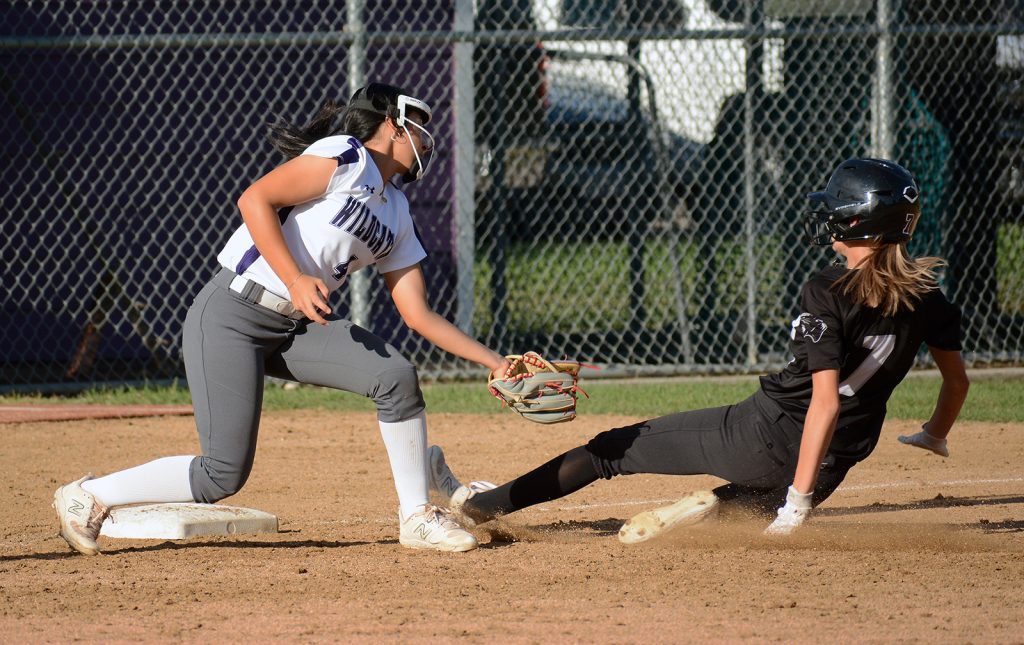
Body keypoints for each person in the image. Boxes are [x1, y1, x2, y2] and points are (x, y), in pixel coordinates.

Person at [53, 82, 510, 555]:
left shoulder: (396, 210)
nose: (426, 139)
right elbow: (255, 199)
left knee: (394, 376)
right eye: (417, 126)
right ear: (390, 124)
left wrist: (494, 362)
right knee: (221, 474)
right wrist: (294, 279)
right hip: (232, 314)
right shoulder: (347, 155)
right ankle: (88, 496)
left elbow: (416, 313)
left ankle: (416, 515)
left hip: (294, 327)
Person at [429, 158, 970, 540]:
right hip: (836, 461)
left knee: (608, 450)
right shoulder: (928, 295)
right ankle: (704, 508)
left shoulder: (828, 288)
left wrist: (797, 510)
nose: (826, 217)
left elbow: (823, 404)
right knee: (746, 504)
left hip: (767, 434)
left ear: (856, 222)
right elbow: (957, 382)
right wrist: (935, 433)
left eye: (837, 209)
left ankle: (480, 507)